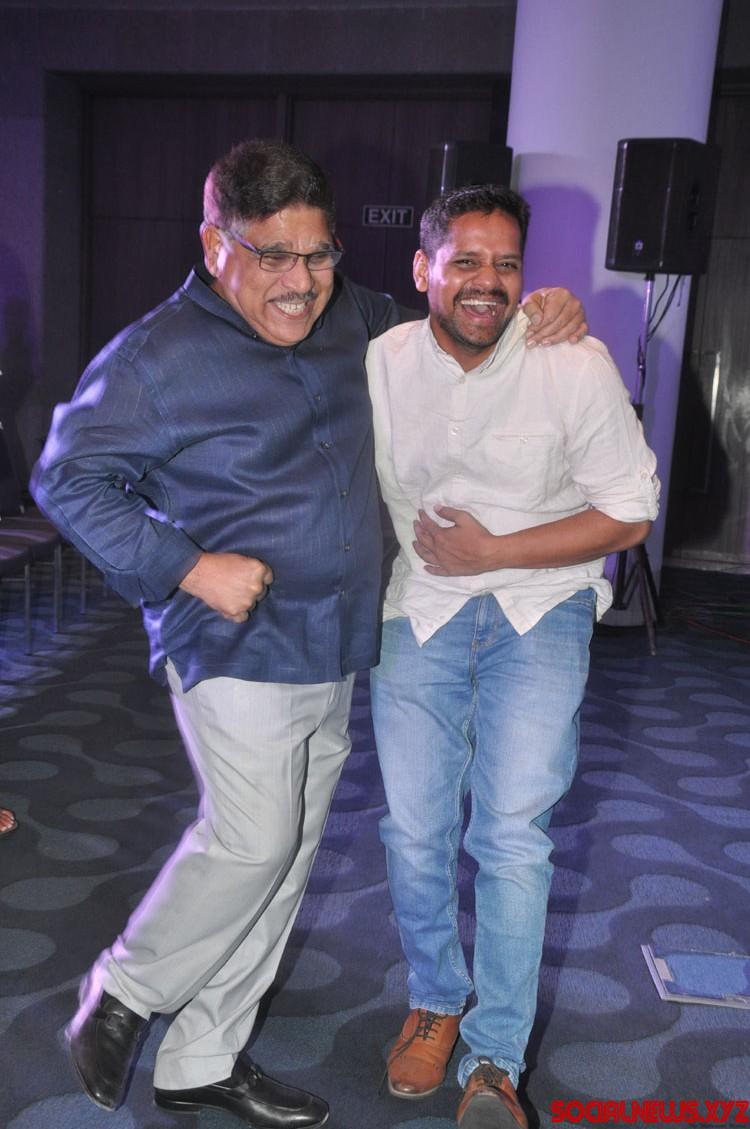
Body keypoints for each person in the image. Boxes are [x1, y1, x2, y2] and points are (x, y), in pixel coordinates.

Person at [31, 140, 585, 1128]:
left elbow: (451, 330)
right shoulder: (158, 358)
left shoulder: (352, 316)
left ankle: (204, 1056)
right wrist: (187, 565)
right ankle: (124, 986)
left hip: (334, 643)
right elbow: (65, 478)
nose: (300, 281)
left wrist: (535, 312)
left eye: (319, 254)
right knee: (253, 841)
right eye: (273, 255)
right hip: (234, 640)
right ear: (215, 245)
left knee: (286, 863)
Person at [367, 184, 659, 1129]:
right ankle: (435, 999)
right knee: (414, 831)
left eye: (506, 264)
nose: (486, 281)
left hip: (541, 611)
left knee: (511, 836)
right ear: (424, 267)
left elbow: (630, 511)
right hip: (419, 612)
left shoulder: (571, 360)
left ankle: (494, 1057)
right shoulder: (380, 361)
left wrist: (495, 552)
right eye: (465, 260)